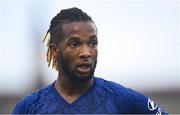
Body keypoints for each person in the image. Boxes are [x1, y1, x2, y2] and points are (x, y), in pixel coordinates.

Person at [12, 7, 167, 114]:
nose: (86, 53)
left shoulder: (123, 99)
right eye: (75, 44)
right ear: (54, 50)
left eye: (92, 43)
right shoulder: (28, 108)